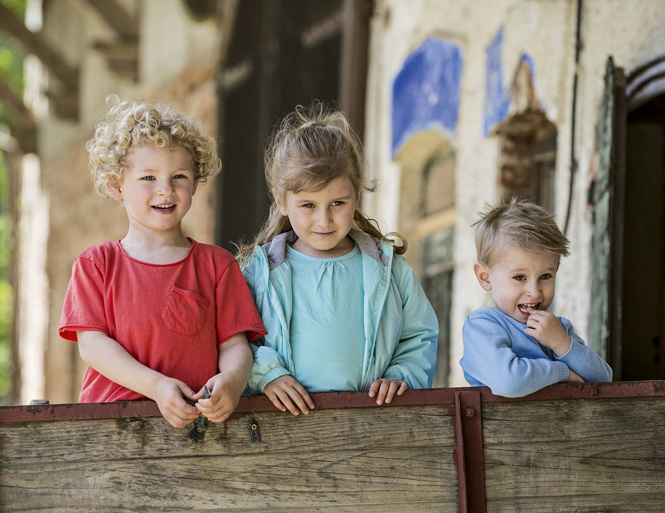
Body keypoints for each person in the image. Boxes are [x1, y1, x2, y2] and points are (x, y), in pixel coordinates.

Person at [59, 96, 266, 428]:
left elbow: (235, 344)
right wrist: (156, 386)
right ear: (116, 186)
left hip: (201, 430)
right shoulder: (96, 263)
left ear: (196, 183)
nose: (165, 190)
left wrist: (234, 378)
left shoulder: (217, 265)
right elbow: (93, 347)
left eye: (179, 176)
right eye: (148, 178)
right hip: (111, 429)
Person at [237, 104, 439, 416]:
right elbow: (236, 339)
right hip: (281, 426)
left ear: (357, 196)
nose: (324, 219)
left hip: (371, 423)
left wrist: (400, 377)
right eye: (308, 204)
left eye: (337, 203)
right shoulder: (260, 271)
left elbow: (419, 335)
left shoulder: (387, 267)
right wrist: (268, 376)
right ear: (281, 201)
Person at [460, 198, 612, 397]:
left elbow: (604, 380)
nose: (535, 291)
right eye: (519, 277)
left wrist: (563, 344)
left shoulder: (558, 328)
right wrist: (563, 373)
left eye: (545, 276)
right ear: (485, 277)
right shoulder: (483, 326)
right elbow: (510, 382)